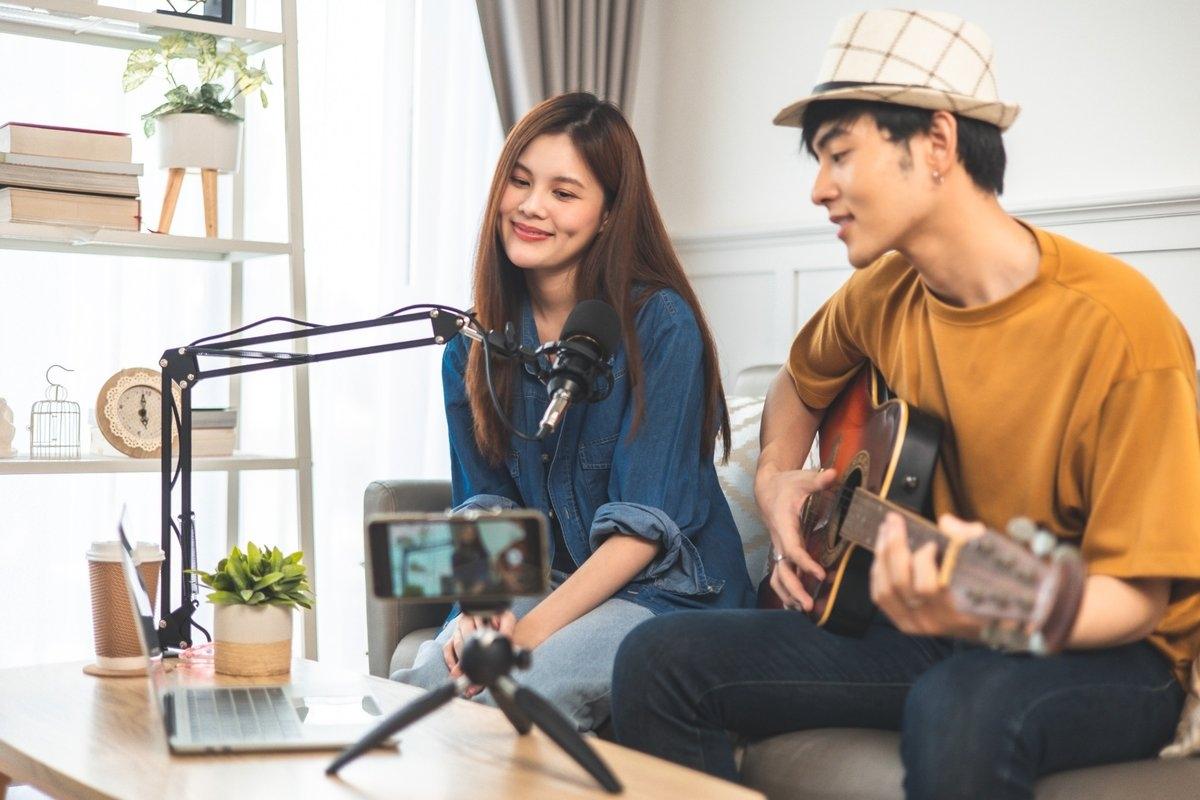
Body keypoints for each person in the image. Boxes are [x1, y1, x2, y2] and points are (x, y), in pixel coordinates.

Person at [610, 9, 1200, 798]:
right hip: (937, 627)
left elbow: (1136, 602)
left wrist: (990, 600)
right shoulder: (883, 292)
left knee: (960, 707)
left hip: (1110, 651)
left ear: (937, 143)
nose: (818, 188)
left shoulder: (1120, 327)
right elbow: (798, 384)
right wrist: (777, 478)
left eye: (839, 154)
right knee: (658, 660)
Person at [392, 92, 756, 732]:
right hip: (547, 580)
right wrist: (480, 607)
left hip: (668, 594)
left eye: (564, 193)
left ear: (609, 214)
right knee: (426, 684)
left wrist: (526, 633)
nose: (531, 206)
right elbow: (484, 504)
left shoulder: (661, 325)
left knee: (521, 690)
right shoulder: (471, 347)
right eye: (520, 181)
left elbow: (642, 532)